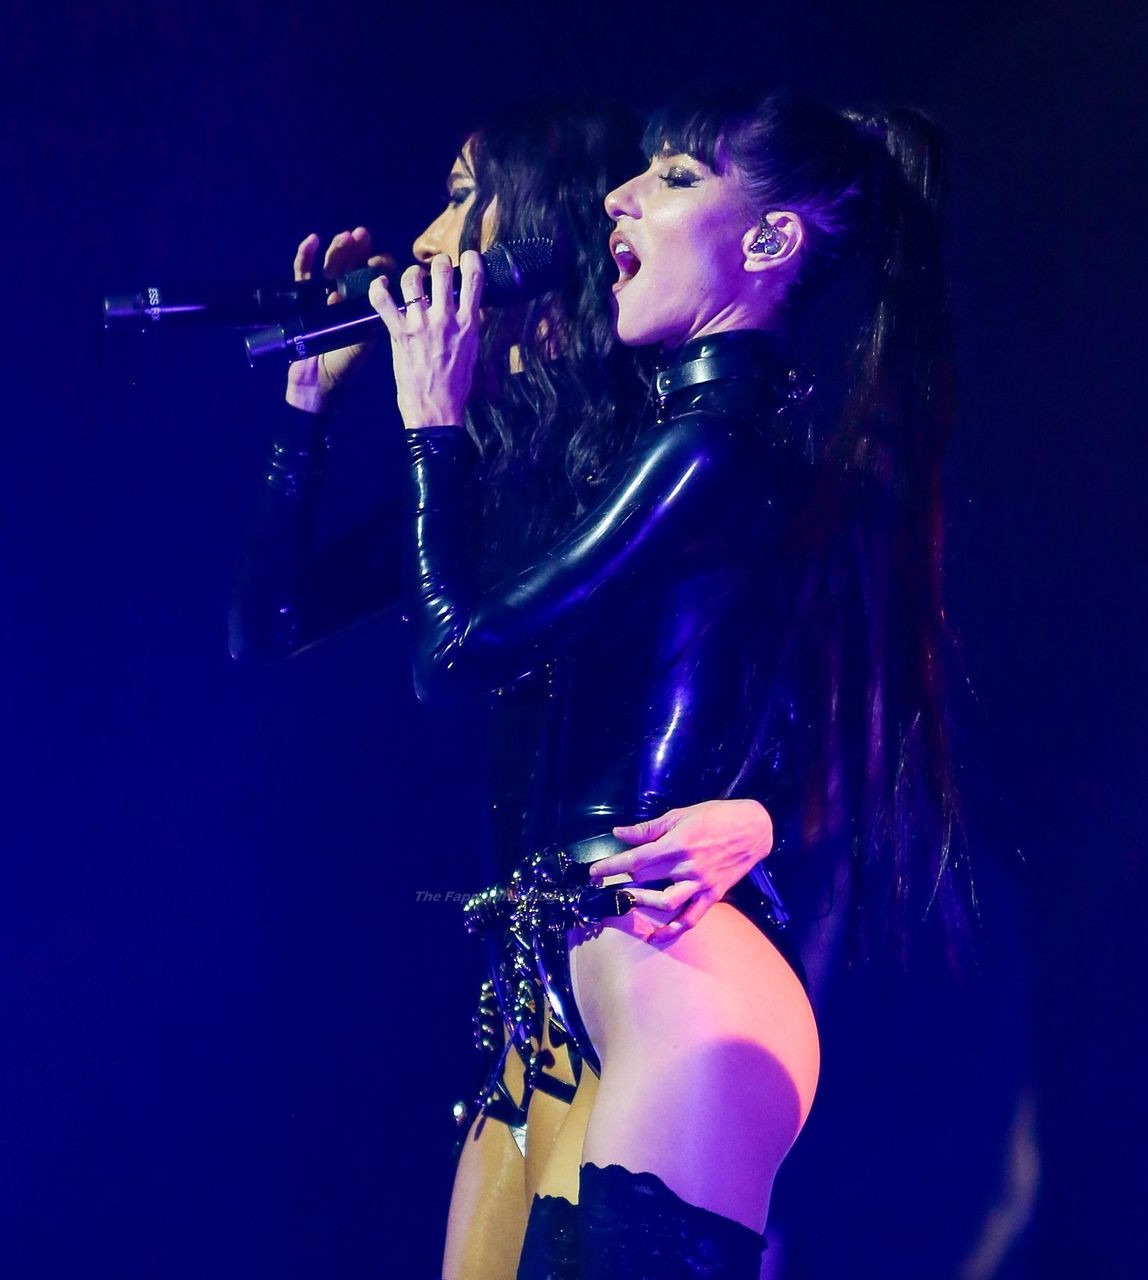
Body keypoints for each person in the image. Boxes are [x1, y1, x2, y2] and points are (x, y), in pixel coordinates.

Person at [368, 90, 972, 1278]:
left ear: (770, 241)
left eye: (677, 178)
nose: (621, 196)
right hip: (564, 986)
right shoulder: (702, 446)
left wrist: (430, 425)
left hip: (676, 983)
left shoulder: (717, 446)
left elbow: (459, 649)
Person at [226, 101, 788, 1277]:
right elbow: (269, 625)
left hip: (657, 948)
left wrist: (769, 812)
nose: (425, 240)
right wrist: (307, 407)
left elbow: (770, 677)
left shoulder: (661, 437)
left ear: (531, 230)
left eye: (458, 199)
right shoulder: (499, 465)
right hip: (536, 981)